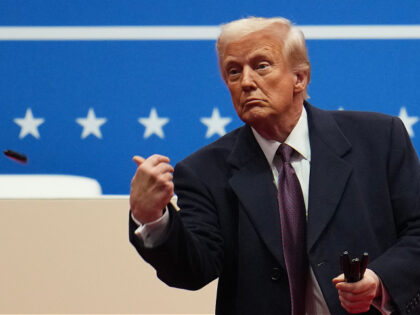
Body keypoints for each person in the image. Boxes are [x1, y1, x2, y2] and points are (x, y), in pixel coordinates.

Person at [129, 17, 420, 315]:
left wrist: (379, 279)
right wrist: (151, 217)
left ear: (300, 77)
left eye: (261, 66)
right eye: (233, 71)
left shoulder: (380, 140)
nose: (246, 81)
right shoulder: (204, 171)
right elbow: (192, 271)